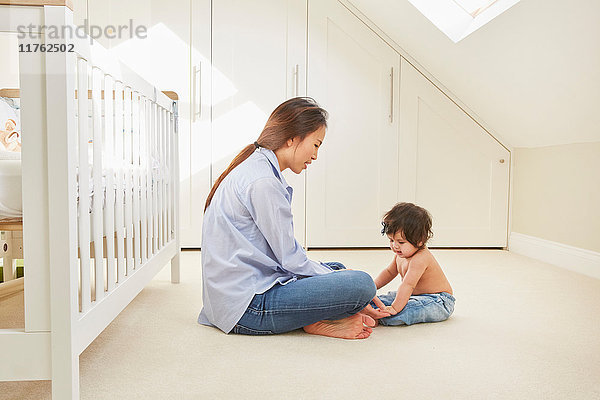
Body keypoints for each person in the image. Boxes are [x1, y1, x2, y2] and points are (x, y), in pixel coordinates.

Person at [198, 97, 389, 339]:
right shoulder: (263, 182)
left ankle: (321, 312)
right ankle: (317, 321)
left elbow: (284, 256)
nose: (316, 155)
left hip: (238, 295)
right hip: (248, 308)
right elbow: (290, 260)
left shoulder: (256, 168)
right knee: (361, 284)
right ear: (293, 138)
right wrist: (339, 281)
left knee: (338, 269)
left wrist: (333, 274)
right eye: (316, 144)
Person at [373, 202, 455, 326]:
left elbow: (408, 285)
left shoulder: (420, 259)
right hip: (414, 295)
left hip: (438, 301)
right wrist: (372, 287)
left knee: (405, 311)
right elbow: (389, 272)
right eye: (391, 240)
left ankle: (376, 317)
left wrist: (394, 308)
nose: (395, 246)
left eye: (401, 242)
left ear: (420, 241)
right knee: (378, 301)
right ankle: (366, 310)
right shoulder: (401, 255)